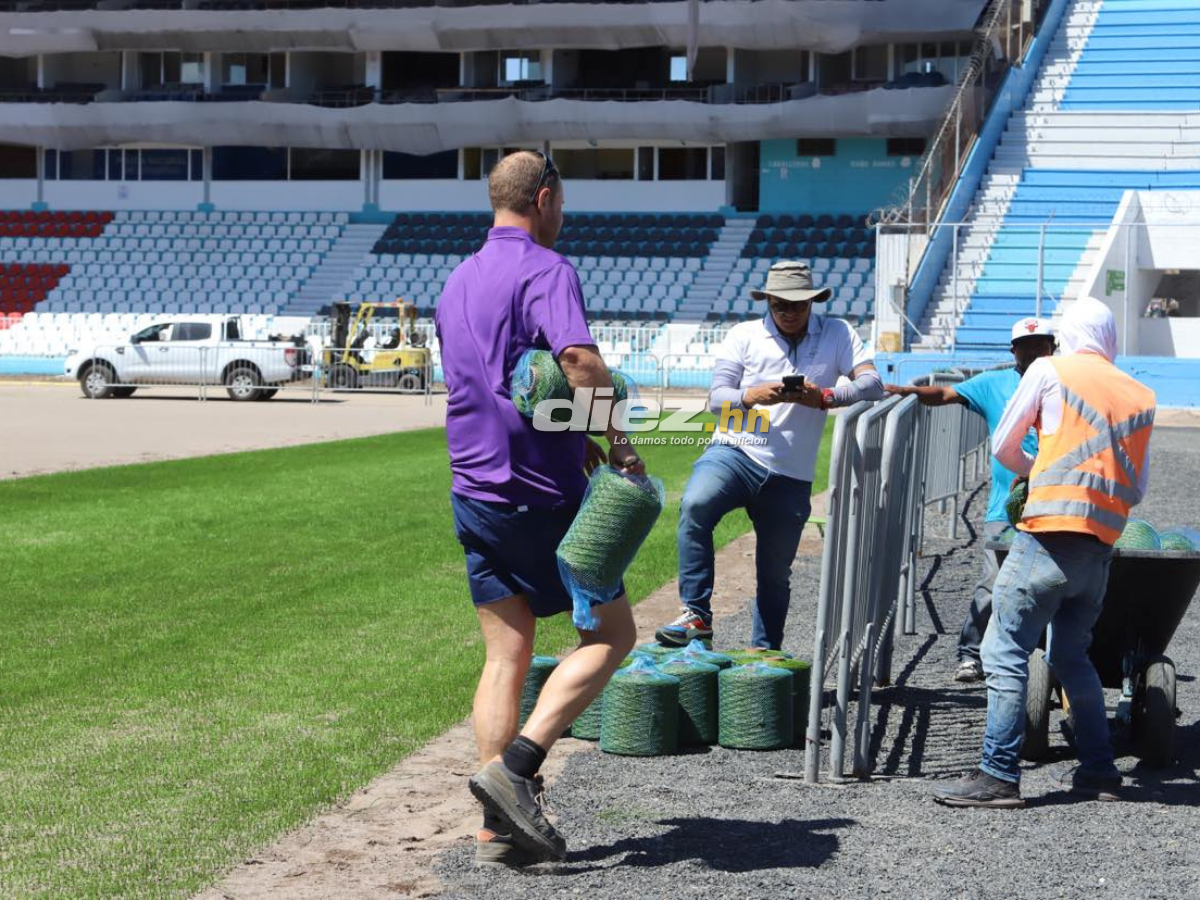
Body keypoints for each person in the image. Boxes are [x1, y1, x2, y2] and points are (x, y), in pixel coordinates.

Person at [435, 150, 643, 866]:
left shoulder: (457, 278)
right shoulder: (548, 269)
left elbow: (499, 384)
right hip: (538, 496)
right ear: (545, 198)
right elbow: (577, 361)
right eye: (563, 202)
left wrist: (566, 432)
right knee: (612, 635)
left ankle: (495, 831)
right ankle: (517, 768)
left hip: (473, 488)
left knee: (506, 653)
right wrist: (615, 442)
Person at [933, 297, 1155, 809]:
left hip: (1048, 536)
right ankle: (1099, 770)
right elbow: (1137, 489)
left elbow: (1004, 446)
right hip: (1100, 546)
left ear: (1069, 334)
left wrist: (1037, 471)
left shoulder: (1050, 370)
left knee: (1003, 651)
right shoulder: (1140, 394)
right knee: (1071, 656)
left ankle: (998, 774)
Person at [655, 260, 884, 651]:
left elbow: (872, 383)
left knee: (775, 574)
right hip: (735, 451)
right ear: (768, 301)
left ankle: (764, 657)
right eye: (780, 305)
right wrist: (750, 395)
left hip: (791, 472)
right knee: (695, 505)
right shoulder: (743, 335)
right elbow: (716, 399)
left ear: (813, 301)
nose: (789, 312)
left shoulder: (838, 333)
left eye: (798, 305)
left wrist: (827, 397)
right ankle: (696, 613)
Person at [886, 318, 1056, 683]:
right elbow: (947, 395)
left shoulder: (1066, 385)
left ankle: (1049, 660)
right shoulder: (994, 383)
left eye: (1041, 344)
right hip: (1006, 508)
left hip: (1058, 505)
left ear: (1052, 347)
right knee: (994, 582)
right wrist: (904, 392)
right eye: (1026, 345)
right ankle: (971, 652)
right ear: (1014, 351)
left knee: (1053, 584)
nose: (1034, 350)